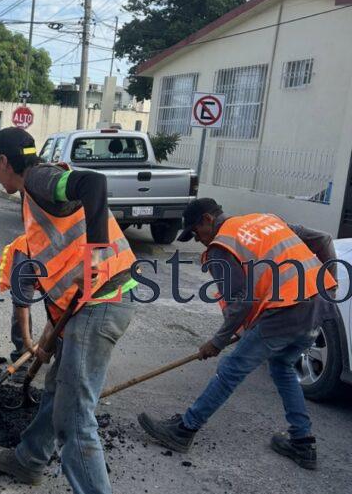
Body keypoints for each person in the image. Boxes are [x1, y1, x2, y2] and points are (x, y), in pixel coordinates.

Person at [0, 127, 138, 494]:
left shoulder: (39, 179)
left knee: (74, 414)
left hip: (101, 301)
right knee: (55, 390)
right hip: (85, 306)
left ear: (4, 162)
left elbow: (94, 184)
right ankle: (29, 459)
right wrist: (49, 339)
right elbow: (61, 271)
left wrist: (97, 250)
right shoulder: (34, 194)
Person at [138, 198, 337, 470]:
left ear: (208, 219)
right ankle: (302, 442)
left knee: (231, 369)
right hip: (320, 305)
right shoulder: (266, 220)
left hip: (287, 311)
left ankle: (184, 430)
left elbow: (240, 303)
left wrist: (216, 342)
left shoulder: (222, 246)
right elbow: (324, 240)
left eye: (196, 233)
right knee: (282, 365)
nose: (199, 241)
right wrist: (330, 286)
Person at [0, 233, 37, 364]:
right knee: (20, 311)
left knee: (60, 312)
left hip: (61, 272)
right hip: (27, 264)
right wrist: (26, 341)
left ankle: (59, 350)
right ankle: (22, 354)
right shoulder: (24, 252)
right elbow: (21, 303)